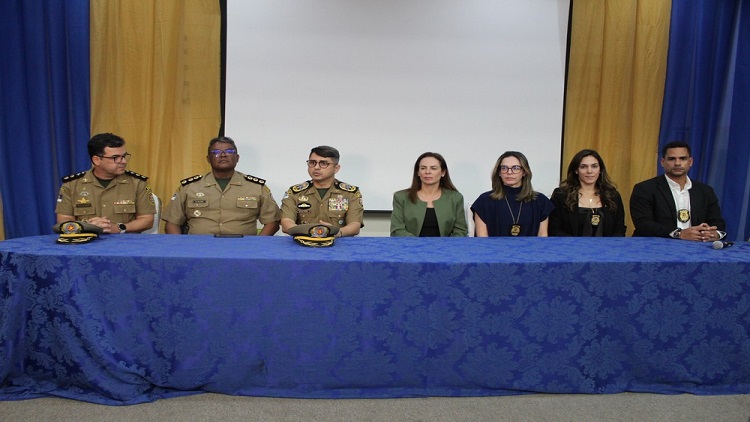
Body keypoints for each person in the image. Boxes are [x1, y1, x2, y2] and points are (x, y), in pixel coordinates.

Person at [162, 136, 281, 235]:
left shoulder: (256, 187)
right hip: (198, 248)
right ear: (208, 159)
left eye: (229, 151)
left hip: (242, 249)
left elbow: (272, 222)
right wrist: (181, 248)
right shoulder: (189, 187)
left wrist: (256, 247)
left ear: (237, 158)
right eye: (216, 152)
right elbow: (172, 223)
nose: (223, 155)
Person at [56, 133, 156, 234]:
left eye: (124, 156)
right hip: (86, 240)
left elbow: (147, 220)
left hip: (125, 241)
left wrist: (119, 228)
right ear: (97, 160)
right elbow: (64, 219)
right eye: (115, 157)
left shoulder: (137, 183)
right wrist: (87, 227)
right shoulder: (72, 185)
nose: (124, 161)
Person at [630, 141, 726, 241]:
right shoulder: (645, 189)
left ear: (690, 162)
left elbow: (717, 222)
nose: (677, 163)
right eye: (672, 159)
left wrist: (715, 234)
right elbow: (643, 224)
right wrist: (679, 234)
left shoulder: (705, 191)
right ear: (662, 162)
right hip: (656, 246)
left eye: (682, 158)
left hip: (697, 246)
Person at [280, 145, 363, 237]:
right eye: (312, 163)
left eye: (323, 163)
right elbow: (286, 222)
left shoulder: (350, 193)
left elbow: (355, 225)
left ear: (336, 168)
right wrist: (310, 233)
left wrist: (336, 232)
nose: (316, 167)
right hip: (303, 242)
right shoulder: (295, 193)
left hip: (338, 242)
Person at [471, 151, 554, 237]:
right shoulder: (484, 200)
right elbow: (482, 238)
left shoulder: (540, 201)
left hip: (531, 246)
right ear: (499, 172)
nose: (509, 172)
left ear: (524, 172)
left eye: (516, 168)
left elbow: (542, 236)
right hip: (494, 246)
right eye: (504, 168)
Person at [549, 149, 626, 236]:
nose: (589, 171)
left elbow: (619, 229)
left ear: (600, 169)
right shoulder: (561, 195)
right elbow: (554, 229)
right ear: (576, 170)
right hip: (570, 244)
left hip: (607, 245)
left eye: (594, 166)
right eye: (583, 167)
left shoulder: (612, 195)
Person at [390, 152, 468, 237]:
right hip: (410, 244)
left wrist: (445, 244)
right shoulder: (401, 197)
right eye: (423, 168)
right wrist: (417, 243)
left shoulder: (455, 198)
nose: (427, 172)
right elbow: (397, 229)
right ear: (418, 172)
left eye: (433, 168)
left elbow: (460, 231)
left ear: (443, 172)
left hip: (446, 245)